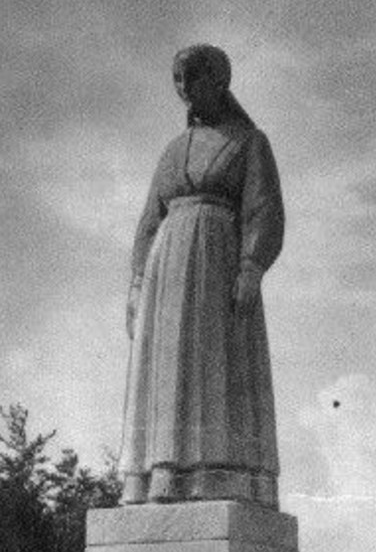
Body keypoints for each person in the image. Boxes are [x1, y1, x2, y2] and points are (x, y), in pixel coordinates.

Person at [119, 44, 285, 508]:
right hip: (165, 271)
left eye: (193, 78)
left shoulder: (250, 143)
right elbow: (149, 220)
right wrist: (136, 283)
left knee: (215, 365)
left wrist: (252, 265)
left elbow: (264, 210)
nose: (184, 89)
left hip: (218, 265)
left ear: (218, 82)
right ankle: (159, 471)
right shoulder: (173, 152)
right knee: (165, 365)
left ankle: (219, 473)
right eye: (178, 80)